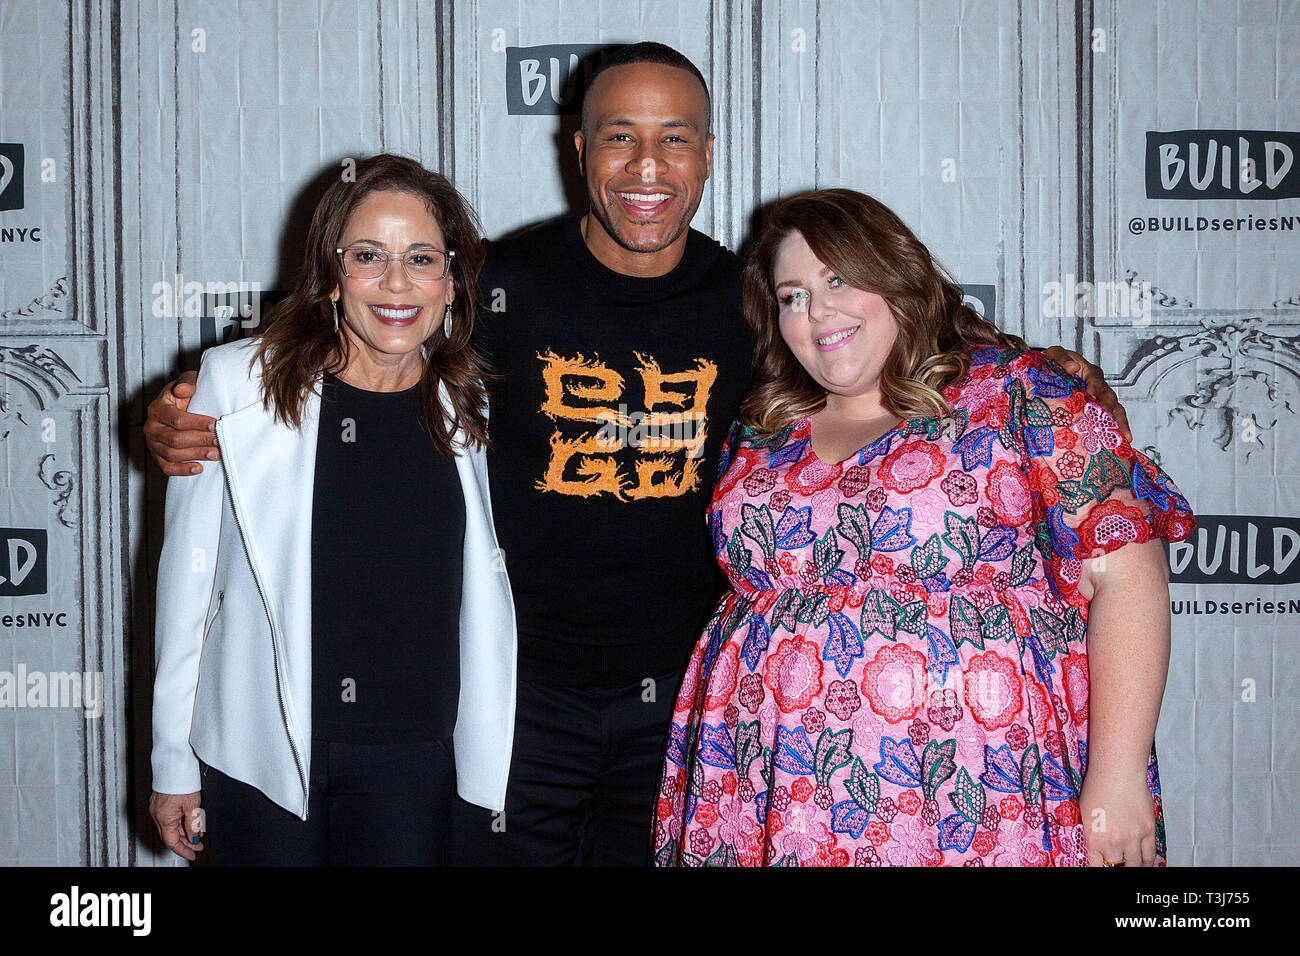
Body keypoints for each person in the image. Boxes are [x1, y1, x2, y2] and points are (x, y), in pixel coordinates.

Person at [144, 43, 1128, 866]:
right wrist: (192, 410)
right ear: (579, 151)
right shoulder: (498, 286)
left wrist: (1040, 371)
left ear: (705, 156)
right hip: (515, 699)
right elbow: (359, 344)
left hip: (684, 705)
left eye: (671, 140)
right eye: (619, 136)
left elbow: (888, 348)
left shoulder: (756, 302)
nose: (644, 164)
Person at [653, 188, 1195, 867]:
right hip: (770, 787)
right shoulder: (764, 429)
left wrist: (1115, 778)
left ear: (897, 276)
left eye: (838, 279)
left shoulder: (1020, 392)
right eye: (792, 296)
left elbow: (1130, 578)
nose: (817, 310)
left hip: (985, 789)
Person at [148, 154, 516, 866]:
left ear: (452, 278)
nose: (397, 283)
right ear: (329, 272)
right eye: (368, 256)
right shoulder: (235, 385)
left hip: (417, 760)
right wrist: (172, 763)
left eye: (422, 258)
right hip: (264, 752)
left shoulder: (466, 404)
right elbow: (187, 585)